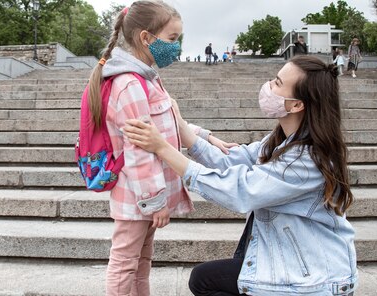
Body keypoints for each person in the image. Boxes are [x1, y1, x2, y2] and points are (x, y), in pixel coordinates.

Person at [123, 55, 357, 295]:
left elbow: (239, 190)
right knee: (203, 279)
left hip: (314, 279)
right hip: (289, 259)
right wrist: (182, 128)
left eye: (277, 83)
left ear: (296, 104)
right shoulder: (279, 141)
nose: (268, 86)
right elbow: (229, 161)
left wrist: (163, 149)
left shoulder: (307, 159)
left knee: (204, 282)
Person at [86, 1, 216, 295]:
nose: (177, 46)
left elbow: (168, 125)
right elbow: (138, 150)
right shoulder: (130, 84)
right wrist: (155, 201)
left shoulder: (147, 78)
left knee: (141, 261)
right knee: (124, 263)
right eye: (172, 39)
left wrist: (207, 137)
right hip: (137, 198)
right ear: (146, 38)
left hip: (142, 196)